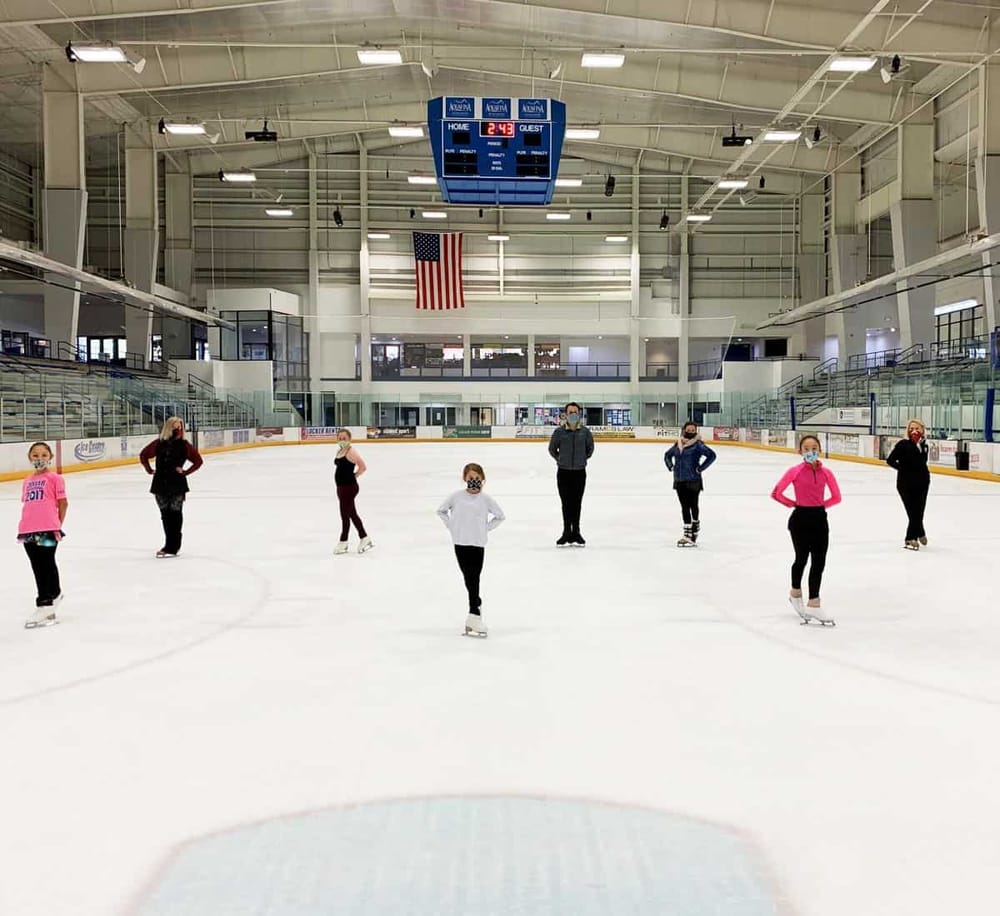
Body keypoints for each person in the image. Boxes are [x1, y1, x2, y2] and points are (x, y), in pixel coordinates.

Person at [770, 434, 842, 626]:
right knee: (801, 558)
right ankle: (795, 592)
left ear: (819, 449)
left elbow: (837, 497)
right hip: (800, 519)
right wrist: (794, 504)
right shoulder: (794, 471)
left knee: (819, 561)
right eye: (807, 448)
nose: (811, 451)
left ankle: (814, 603)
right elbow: (776, 493)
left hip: (819, 519)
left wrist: (819, 506)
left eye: (814, 448)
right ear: (800, 451)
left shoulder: (827, 473)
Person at [437, 462, 505, 637]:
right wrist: (451, 525)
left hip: (478, 543)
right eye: (470, 479)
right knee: (468, 577)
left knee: (474, 577)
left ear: (482, 479)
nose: (473, 481)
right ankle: (476, 605)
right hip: (460, 542)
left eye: (476, 479)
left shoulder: (486, 499)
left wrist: (485, 528)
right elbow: (441, 511)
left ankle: (473, 614)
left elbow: (500, 516)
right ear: (464, 479)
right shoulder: (456, 497)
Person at [17, 442, 68, 628]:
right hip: (27, 530)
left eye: (44, 455)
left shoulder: (55, 478)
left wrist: (57, 524)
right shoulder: (27, 481)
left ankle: (47, 600)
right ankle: (50, 598)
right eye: (35, 455)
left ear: (50, 457)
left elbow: (63, 503)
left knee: (46, 562)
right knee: (37, 565)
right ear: (30, 458)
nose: (40, 459)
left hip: (47, 528)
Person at [139, 416, 203, 558]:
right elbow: (143, 455)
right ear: (168, 427)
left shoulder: (184, 445)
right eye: (175, 427)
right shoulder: (159, 443)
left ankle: (172, 546)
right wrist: (149, 470)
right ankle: (169, 545)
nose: (178, 429)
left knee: (175, 515)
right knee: (166, 516)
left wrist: (185, 472)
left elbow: (198, 461)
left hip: (177, 484)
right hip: (160, 483)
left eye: (180, 427)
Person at [548, 401, 594, 546]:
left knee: (577, 503)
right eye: (570, 412)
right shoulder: (559, 432)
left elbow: (590, 449)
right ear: (565, 414)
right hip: (563, 473)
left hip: (579, 473)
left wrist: (581, 460)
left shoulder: (585, 432)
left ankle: (577, 533)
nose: (573, 415)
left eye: (575, 412)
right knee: (566, 503)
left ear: (579, 414)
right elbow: (552, 449)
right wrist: (561, 460)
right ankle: (566, 532)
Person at [664, 421, 717, 547]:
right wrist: (671, 466)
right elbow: (667, 455)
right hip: (679, 479)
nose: (691, 432)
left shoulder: (698, 445)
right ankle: (688, 533)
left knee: (693, 505)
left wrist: (700, 468)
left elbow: (712, 455)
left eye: (693, 430)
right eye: (689, 429)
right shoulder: (678, 444)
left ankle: (694, 528)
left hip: (693, 480)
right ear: (684, 430)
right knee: (684, 506)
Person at [886, 418, 930, 550]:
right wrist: (904, 469)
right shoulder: (903, 444)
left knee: (919, 511)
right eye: (911, 429)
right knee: (913, 512)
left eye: (917, 428)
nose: (914, 431)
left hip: (923, 482)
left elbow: (922, 463)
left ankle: (920, 532)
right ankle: (910, 537)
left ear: (922, 430)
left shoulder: (924, 445)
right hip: (906, 484)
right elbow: (890, 460)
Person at [333, 429, 373, 555]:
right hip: (341, 488)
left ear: (349, 439)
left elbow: (363, 467)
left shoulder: (351, 451)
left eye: (344, 438)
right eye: (339, 438)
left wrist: (354, 476)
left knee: (345, 516)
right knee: (351, 514)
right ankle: (364, 538)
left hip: (349, 488)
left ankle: (343, 542)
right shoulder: (340, 451)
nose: (341, 440)